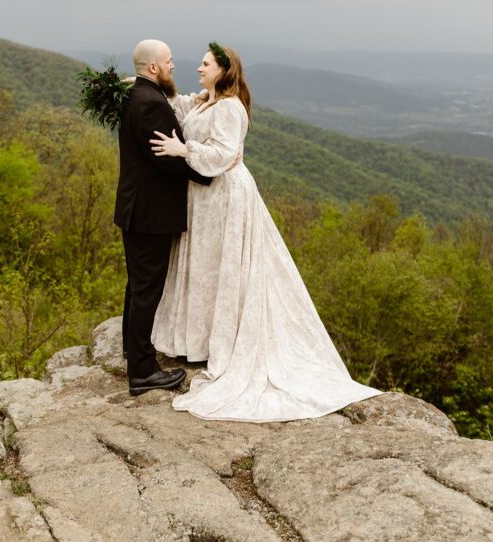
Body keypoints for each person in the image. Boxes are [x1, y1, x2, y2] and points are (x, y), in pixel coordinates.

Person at [150, 41, 384, 422]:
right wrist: (142, 82)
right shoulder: (206, 101)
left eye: (205, 64)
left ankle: (223, 341)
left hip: (225, 196)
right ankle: (201, 339)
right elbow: (178, 106)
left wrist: (183, 151)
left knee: (224, 267)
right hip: (205, 200)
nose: (198, 68)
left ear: (223, 70)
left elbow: (224, 155)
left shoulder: (229, 108)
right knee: (208, 266)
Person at [114, 38, 212, 397]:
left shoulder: (134, 95)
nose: (173, 66)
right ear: (153, 68)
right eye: (169, 62)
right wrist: (210, 175)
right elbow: (167, 158)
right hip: (151, 213)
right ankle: (142, 372)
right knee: (147, 289)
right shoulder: (151, 104)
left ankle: (132, 349)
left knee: (137, 284)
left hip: (134, 208)